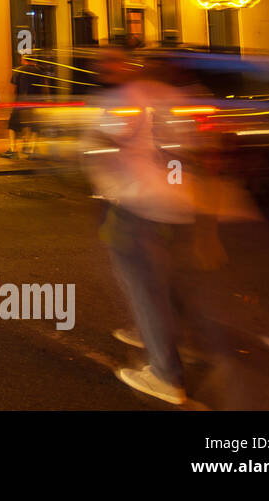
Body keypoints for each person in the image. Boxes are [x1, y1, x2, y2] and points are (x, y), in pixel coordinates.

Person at [80, 51, 198, 405]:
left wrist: (103, 188)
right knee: (165, 280)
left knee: (144, 284)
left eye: (111, 63)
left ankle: (165, 372)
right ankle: (178, 341)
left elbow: (104, 143)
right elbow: (186, 147)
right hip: (171, 202)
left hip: (137, 202)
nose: (103, 68)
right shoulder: (170, 96)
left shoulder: (128, 98)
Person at [3, 54, 41, 159]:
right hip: (35, 103)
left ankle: (13, 150)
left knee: (12, 126)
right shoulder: (39, 71)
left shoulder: (18, 71)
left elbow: (13, 89)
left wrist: (12, 101)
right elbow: (45, 89)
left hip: (20, 102)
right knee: (34, 126)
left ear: (23, 59)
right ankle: (31, 150)